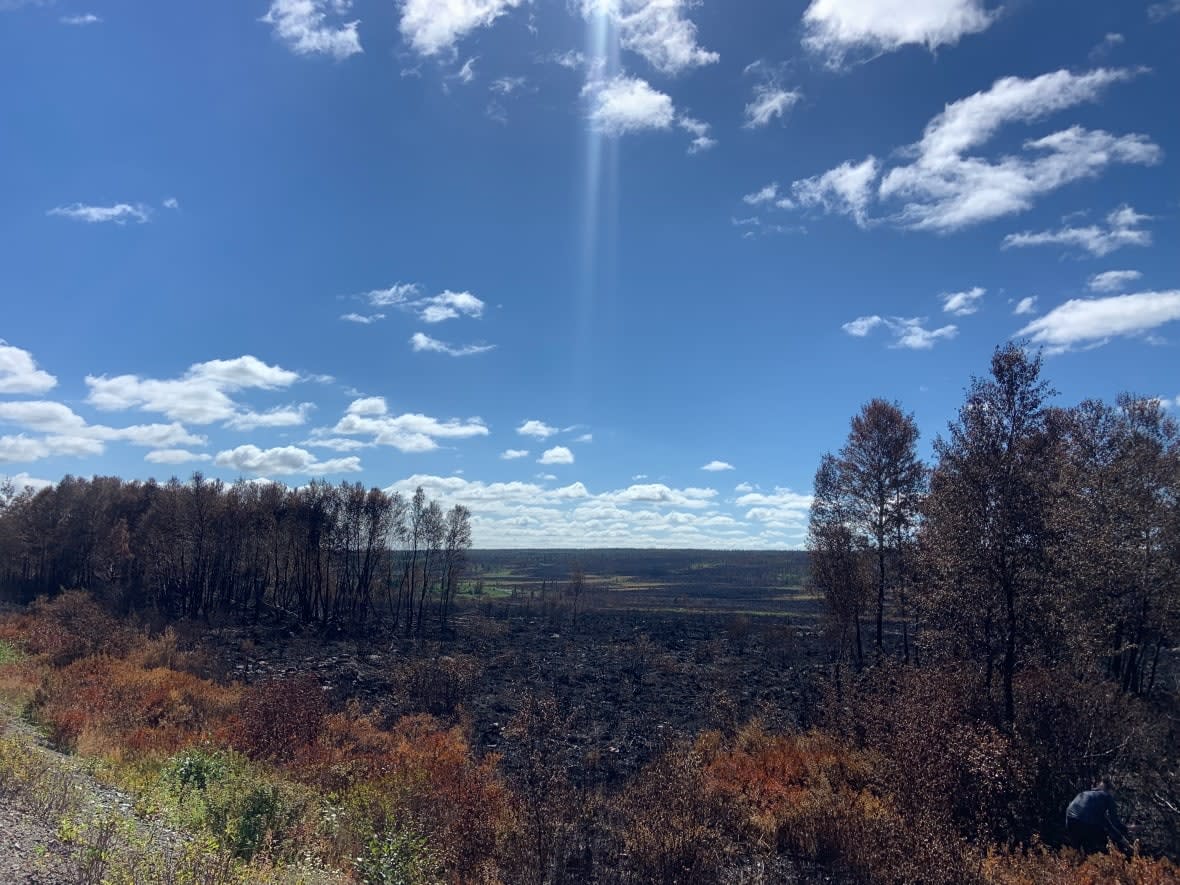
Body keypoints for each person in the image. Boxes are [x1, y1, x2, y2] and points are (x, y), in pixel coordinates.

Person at [1066, 778, 1131, 853]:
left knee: (1077, 851)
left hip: (1070, 820)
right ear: (1110, 790)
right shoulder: (1107, 796)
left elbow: (1104, 821)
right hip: (1085, 823)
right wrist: (1126, 838)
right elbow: (1114, 822)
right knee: (1100, 845)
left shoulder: (1085, 794)